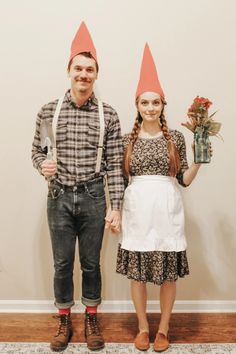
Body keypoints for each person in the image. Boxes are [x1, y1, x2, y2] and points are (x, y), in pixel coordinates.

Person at [32, 21, 124, 352]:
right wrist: (42, 165)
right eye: (78, 68)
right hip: (57, 197)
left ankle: (91, 318)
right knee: (61, 264)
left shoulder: (108, 115)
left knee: (90, 263)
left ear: (97, 74)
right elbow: (37, 152)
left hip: (93, 197)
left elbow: (114, 164)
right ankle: (63, 321)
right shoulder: (48, 111)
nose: (84, 74)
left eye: (90, 69)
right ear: (69, 70)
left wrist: (116, 207)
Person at [116, 43, 209, 352]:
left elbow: (183, 180)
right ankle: (143, 328)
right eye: (145, 102)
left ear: (163, 104)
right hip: (138, 211)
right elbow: (118, 178)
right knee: (138, 273)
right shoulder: (126, 140)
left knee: (169, 272)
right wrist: (113, 210)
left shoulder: (175, 138)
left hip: (167, 210)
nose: (150, 108)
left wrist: (197, 161)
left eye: (155, 102)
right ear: (137, 105)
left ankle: (164, 329)